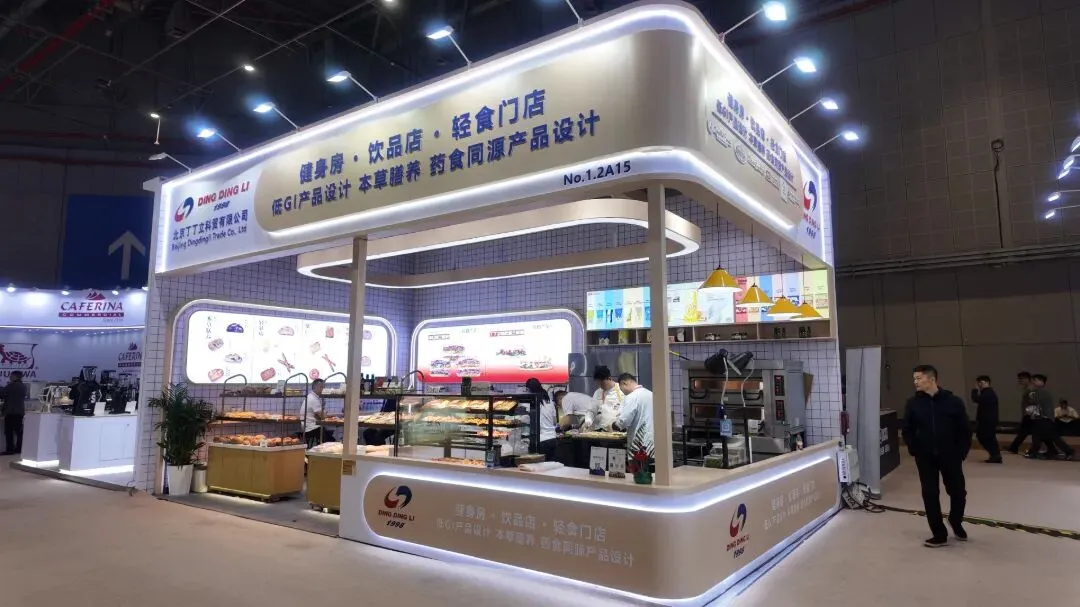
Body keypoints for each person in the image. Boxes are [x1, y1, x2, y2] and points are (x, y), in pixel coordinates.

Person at [901, 365, 971, 548]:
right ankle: (939, 534)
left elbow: (965, 429)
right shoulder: (913, 403)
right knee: (930, 494)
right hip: (925, 457)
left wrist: (961, 452)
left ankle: (955, 521)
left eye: (919, 378)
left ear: (932, 379)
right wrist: (914, 448)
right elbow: (907, 429)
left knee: (958, 492)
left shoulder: (953, 401)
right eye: (914, 378)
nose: (915, 382)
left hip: (951, 456)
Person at [1026, 375, 1074, 461]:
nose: (1033, 382)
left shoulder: (1041, 392)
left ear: (1042, 382)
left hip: (1044, 418)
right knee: (1044, 436)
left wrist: (1030, 392)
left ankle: (1068, 451)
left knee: (1044, 436)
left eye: (1035, 380)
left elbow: (1034, 402)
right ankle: (1048, 451)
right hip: (1042, 418)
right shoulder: (1039, 392)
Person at [614, 373, 655, 458]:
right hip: (653, 442)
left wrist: (615, 425)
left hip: (638, 444)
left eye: (621, 389)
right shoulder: (651, 394)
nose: (622, 392)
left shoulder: (631, 397)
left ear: (624, 383)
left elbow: (624, 421)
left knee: (639, 465)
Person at [525, 378, 559, 461]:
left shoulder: (531, 402)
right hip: (552, 439)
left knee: (540, 466)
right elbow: (555, 421)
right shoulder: (549, 401)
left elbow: (526, 420)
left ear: (529, 389)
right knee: (551, 465)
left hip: (540, 440)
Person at [971, 375, 1001, 463]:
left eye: (981, 382)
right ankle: (995, 455)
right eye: (978, 383)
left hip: (987, 420)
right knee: (989, 437)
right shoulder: (987, 392)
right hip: (988, 420)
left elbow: (976, 399)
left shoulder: (988, 392)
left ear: (987, 382)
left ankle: (995, 455)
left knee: (984, 437)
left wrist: (975, 390)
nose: (979, 385)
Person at [301, 379, 334, 447]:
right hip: (312, 428)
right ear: (315, 387)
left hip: (307, 427)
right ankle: (323, 451)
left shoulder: (311, 396)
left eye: (323, 387)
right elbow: (322, 416)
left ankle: (321, 449)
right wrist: (330, 415)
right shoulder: (313, 399)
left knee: (329, 434)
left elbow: (319, 415)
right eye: (321, 387)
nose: (323, 389)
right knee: (331, 441)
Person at [1, 371, 28, 455]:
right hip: (19, 412)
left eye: (11, 376)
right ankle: (19, 449)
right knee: (19, 432)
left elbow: (2, 393)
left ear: (16, 377)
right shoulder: (23, 386)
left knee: (9, 432)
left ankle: (10, 449)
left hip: (11, 411)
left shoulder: (12, 386)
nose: (10, 377)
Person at [1007, 372, 1034, 454]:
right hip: (1028, 413)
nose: (1019, 381)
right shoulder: (1027, 388)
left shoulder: (1030, 389)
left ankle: (1014, 447)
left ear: (1027, 379)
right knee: (1024, 431)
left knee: (1025, 431)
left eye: (1021, 379)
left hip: (1030, 414)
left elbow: (1033, 402)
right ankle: (1013, 447)